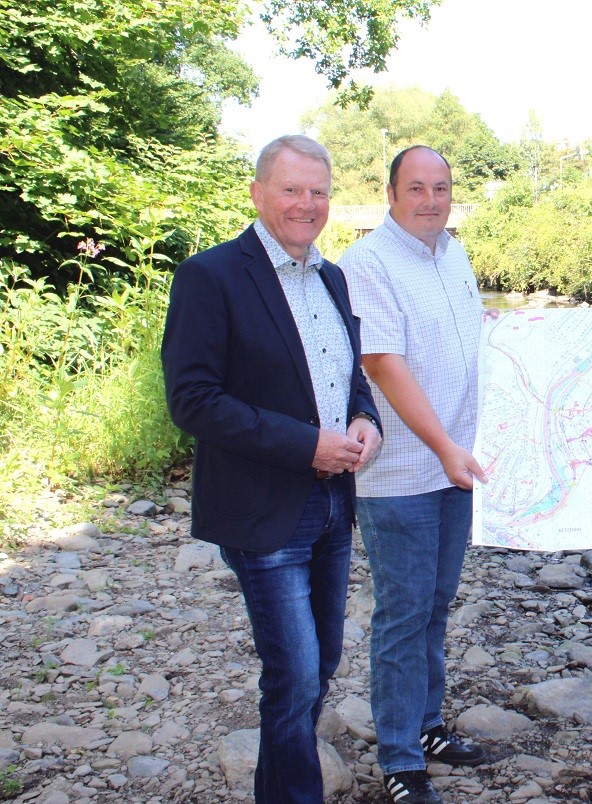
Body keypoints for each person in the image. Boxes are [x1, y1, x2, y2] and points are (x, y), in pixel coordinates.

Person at [161, 134, 382, 804]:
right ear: (258, 193)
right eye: (291, 189)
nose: (306, 204)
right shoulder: (212, 276)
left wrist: (364, 418)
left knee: (318, 667)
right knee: (294, 674)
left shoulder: (333, 276)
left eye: (318, 191)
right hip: (264, 510)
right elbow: (192, 400)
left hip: (334, 506)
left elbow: (349, 379)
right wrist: (305, 444)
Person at [340, 145, 491, 804]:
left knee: (435, 606)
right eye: (417, 188)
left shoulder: (451, 253)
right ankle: (400, 759)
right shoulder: (368, 263)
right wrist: (442, 445)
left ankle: (427, 726)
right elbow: (382, 364)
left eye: (441, 188)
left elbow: (477, 341)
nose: (431, 200)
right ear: (392, 194)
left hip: (457, 466)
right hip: (402, 474)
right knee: (403, 615)